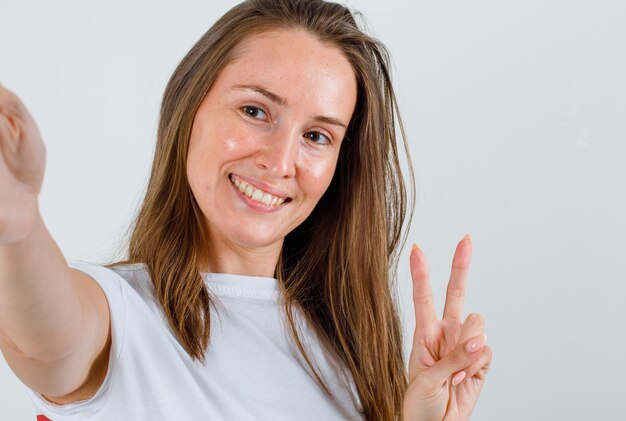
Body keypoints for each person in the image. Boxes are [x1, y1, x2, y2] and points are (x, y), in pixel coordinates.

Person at [0, 0, 492, 420]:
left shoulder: (347, 353)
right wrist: (18, 227)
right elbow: (44, 342)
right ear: (189, 106)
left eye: (316, 136)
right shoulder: (120, 316)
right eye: (255, 111)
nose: (279, 163)